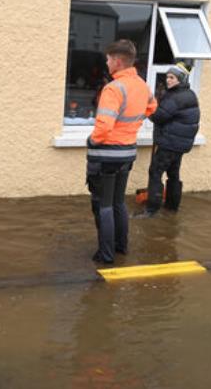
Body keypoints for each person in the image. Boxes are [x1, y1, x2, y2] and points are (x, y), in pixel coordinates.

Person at [86, 40, 157, 264]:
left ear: (117, 61)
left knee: (103, 205)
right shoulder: (142, 85)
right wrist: (131, 126)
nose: (106, 63)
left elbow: (104, 126)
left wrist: (92, 140)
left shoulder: (113, 88)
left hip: (106, 154)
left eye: (108, 59)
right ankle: (121, 247)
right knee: (118, 202)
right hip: (127, 152)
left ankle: (105, 256)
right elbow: (152, 107)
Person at [142, 62, 200, 216]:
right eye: (167, 77)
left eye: (172, 77)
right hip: (180, 145)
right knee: (173, 174)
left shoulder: (175, 97)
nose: (168, 80)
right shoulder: (190, 94)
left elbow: (159, 117)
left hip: (169, 143)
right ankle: (172, 207)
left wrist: (148, 107)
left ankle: (151, 210)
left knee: (155, 172)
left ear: (180, 79)